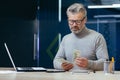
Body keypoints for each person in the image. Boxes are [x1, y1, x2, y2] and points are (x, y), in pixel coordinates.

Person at [53, 3, 109, 71]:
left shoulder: (97, 38)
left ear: (85, 20)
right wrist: (61, 65)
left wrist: (89, 63)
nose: (74, 25)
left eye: (78, 21)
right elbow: (56, 60)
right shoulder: (66, 39)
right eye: (71, 21)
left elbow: (105, 63)